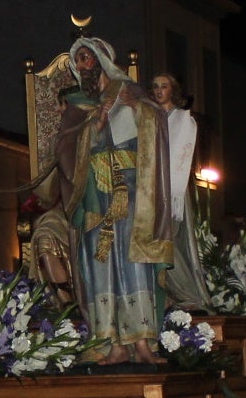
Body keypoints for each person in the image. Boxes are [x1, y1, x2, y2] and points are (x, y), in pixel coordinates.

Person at [54, 36, 173, 364]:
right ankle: (110, 342)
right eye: (77, 61)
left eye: (86, 59)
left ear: (102, 60)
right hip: (96, 194)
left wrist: (136, 109)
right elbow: (64, 150)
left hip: (131, 189)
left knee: (134, 261)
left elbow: (156, 124)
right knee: (101, 263)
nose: (81, 66)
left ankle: (142, 343)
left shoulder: (131, 93)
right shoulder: (79, 105)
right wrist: (94, 127)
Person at [149, 73, 213, 312]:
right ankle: (168, 295)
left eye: (163, 86)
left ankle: (188, 293)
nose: (158, 90)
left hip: (171, 189)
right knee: (156, 241)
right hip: (153, 189)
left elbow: (178, 155)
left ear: (172, 90)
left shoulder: (183, 119)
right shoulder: (151, 117)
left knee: (169, 240)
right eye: (155, 86)